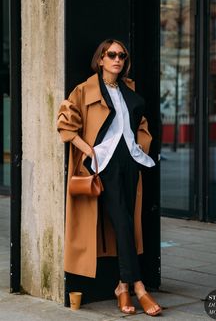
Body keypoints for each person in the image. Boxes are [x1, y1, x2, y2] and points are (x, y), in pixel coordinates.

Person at [57, 39, 162, 316]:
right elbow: (65, 125)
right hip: (104, 164)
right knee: (123, 221)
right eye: (111, 55)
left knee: (127, 221)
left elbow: (141, 123)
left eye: (122, 55)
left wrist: (140, 145)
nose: (117, 59)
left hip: (130, 161)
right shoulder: (85, 90)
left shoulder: (129, 89)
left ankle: (121, 285)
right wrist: (88, 151)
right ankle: (137, 287)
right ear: (101, 59)